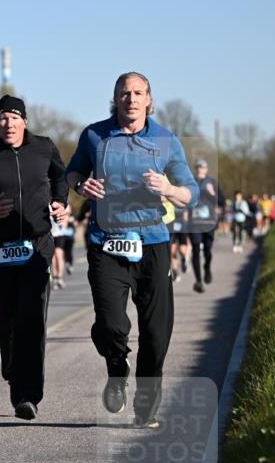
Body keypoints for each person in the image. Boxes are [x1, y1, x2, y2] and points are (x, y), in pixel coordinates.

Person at [66, 72, 198, 428]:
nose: (131, 99)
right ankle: (116, 366)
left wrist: (169, 188)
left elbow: (191, 193)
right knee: (111, 324)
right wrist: (81, 185)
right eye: (124, 93)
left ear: (149, 100)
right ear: (115, 99)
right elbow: (71, 173)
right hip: (106, 242)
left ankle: (146, 409)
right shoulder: (94, 135)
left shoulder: (167, 141)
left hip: (152, 243)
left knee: (156, 333)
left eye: (138, 93)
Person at [0, 94, 68, 420]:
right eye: (1, 118)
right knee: (9, 317)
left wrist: (60, 201)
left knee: (34, 320)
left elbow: (61, 176)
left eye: (13, 117)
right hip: (1, 247)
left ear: (24, 120)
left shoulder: (44, 147)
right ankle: (9, 355)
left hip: (37, 244)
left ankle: (28, 395)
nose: (7, 124)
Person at [187, 159, 224, 293]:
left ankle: (207, 268)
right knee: (195, 249)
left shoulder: (212, 182)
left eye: (202, 168)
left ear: (206, 170)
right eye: (198, 168)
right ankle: (198, 281)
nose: (200, 170)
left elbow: (222, 201)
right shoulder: (189, 182)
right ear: (195, 170)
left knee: (208, 249)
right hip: (194, 222)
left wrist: (212, 193)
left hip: (209, 222)